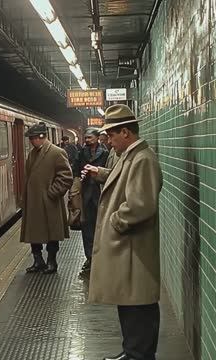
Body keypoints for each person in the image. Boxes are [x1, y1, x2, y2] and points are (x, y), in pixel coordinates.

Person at [82, 104, 163, 360]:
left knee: (138, 305)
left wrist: (115, 221)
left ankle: (138, 354)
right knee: (129, 303)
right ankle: (131, 352)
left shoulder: (142, 159)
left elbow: (141, 205)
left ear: (125, 132)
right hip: (129, 249)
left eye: (112, 136)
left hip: (133, 249)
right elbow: (121, 178)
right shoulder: (130, 156)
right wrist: (100, 174)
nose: (109, 141)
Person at [20, 122, 73, 274]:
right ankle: (38, 261)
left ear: (41, 137)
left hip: (49, 202)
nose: (31, 141)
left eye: (33, 138)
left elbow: (66, 176)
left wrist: (52, 193)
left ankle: (52, 261)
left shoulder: (57, 152)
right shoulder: (33, 153)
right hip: (33, 202)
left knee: (52, 234)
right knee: (33, 233)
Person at [76, 127, 109, 274]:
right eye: (86, 138)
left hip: (100, 195)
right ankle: (89, 258)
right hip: (86, 196)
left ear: (97, 138)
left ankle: (101, 258)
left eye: (90, 137)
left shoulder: (106, 153)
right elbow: (75, 171)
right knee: (87, 229)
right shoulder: (81, 153)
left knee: (101, 228)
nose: (87, 140)